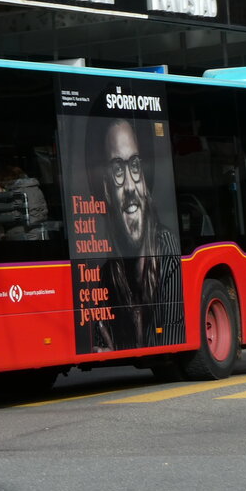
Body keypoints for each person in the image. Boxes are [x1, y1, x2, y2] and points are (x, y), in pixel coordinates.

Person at [94, 117, 183, 351]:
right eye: (117, 170)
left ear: (143, 177)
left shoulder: (166, 247)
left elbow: (170, 338)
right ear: (106, 189)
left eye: (134, 166)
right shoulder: (105, 278)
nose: (131, 187)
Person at [0, 165, 48, 231]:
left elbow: (9, 218)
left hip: (24, 234)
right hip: (36, 232)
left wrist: (1, 197)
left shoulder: (19, 192)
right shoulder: (31, 188)